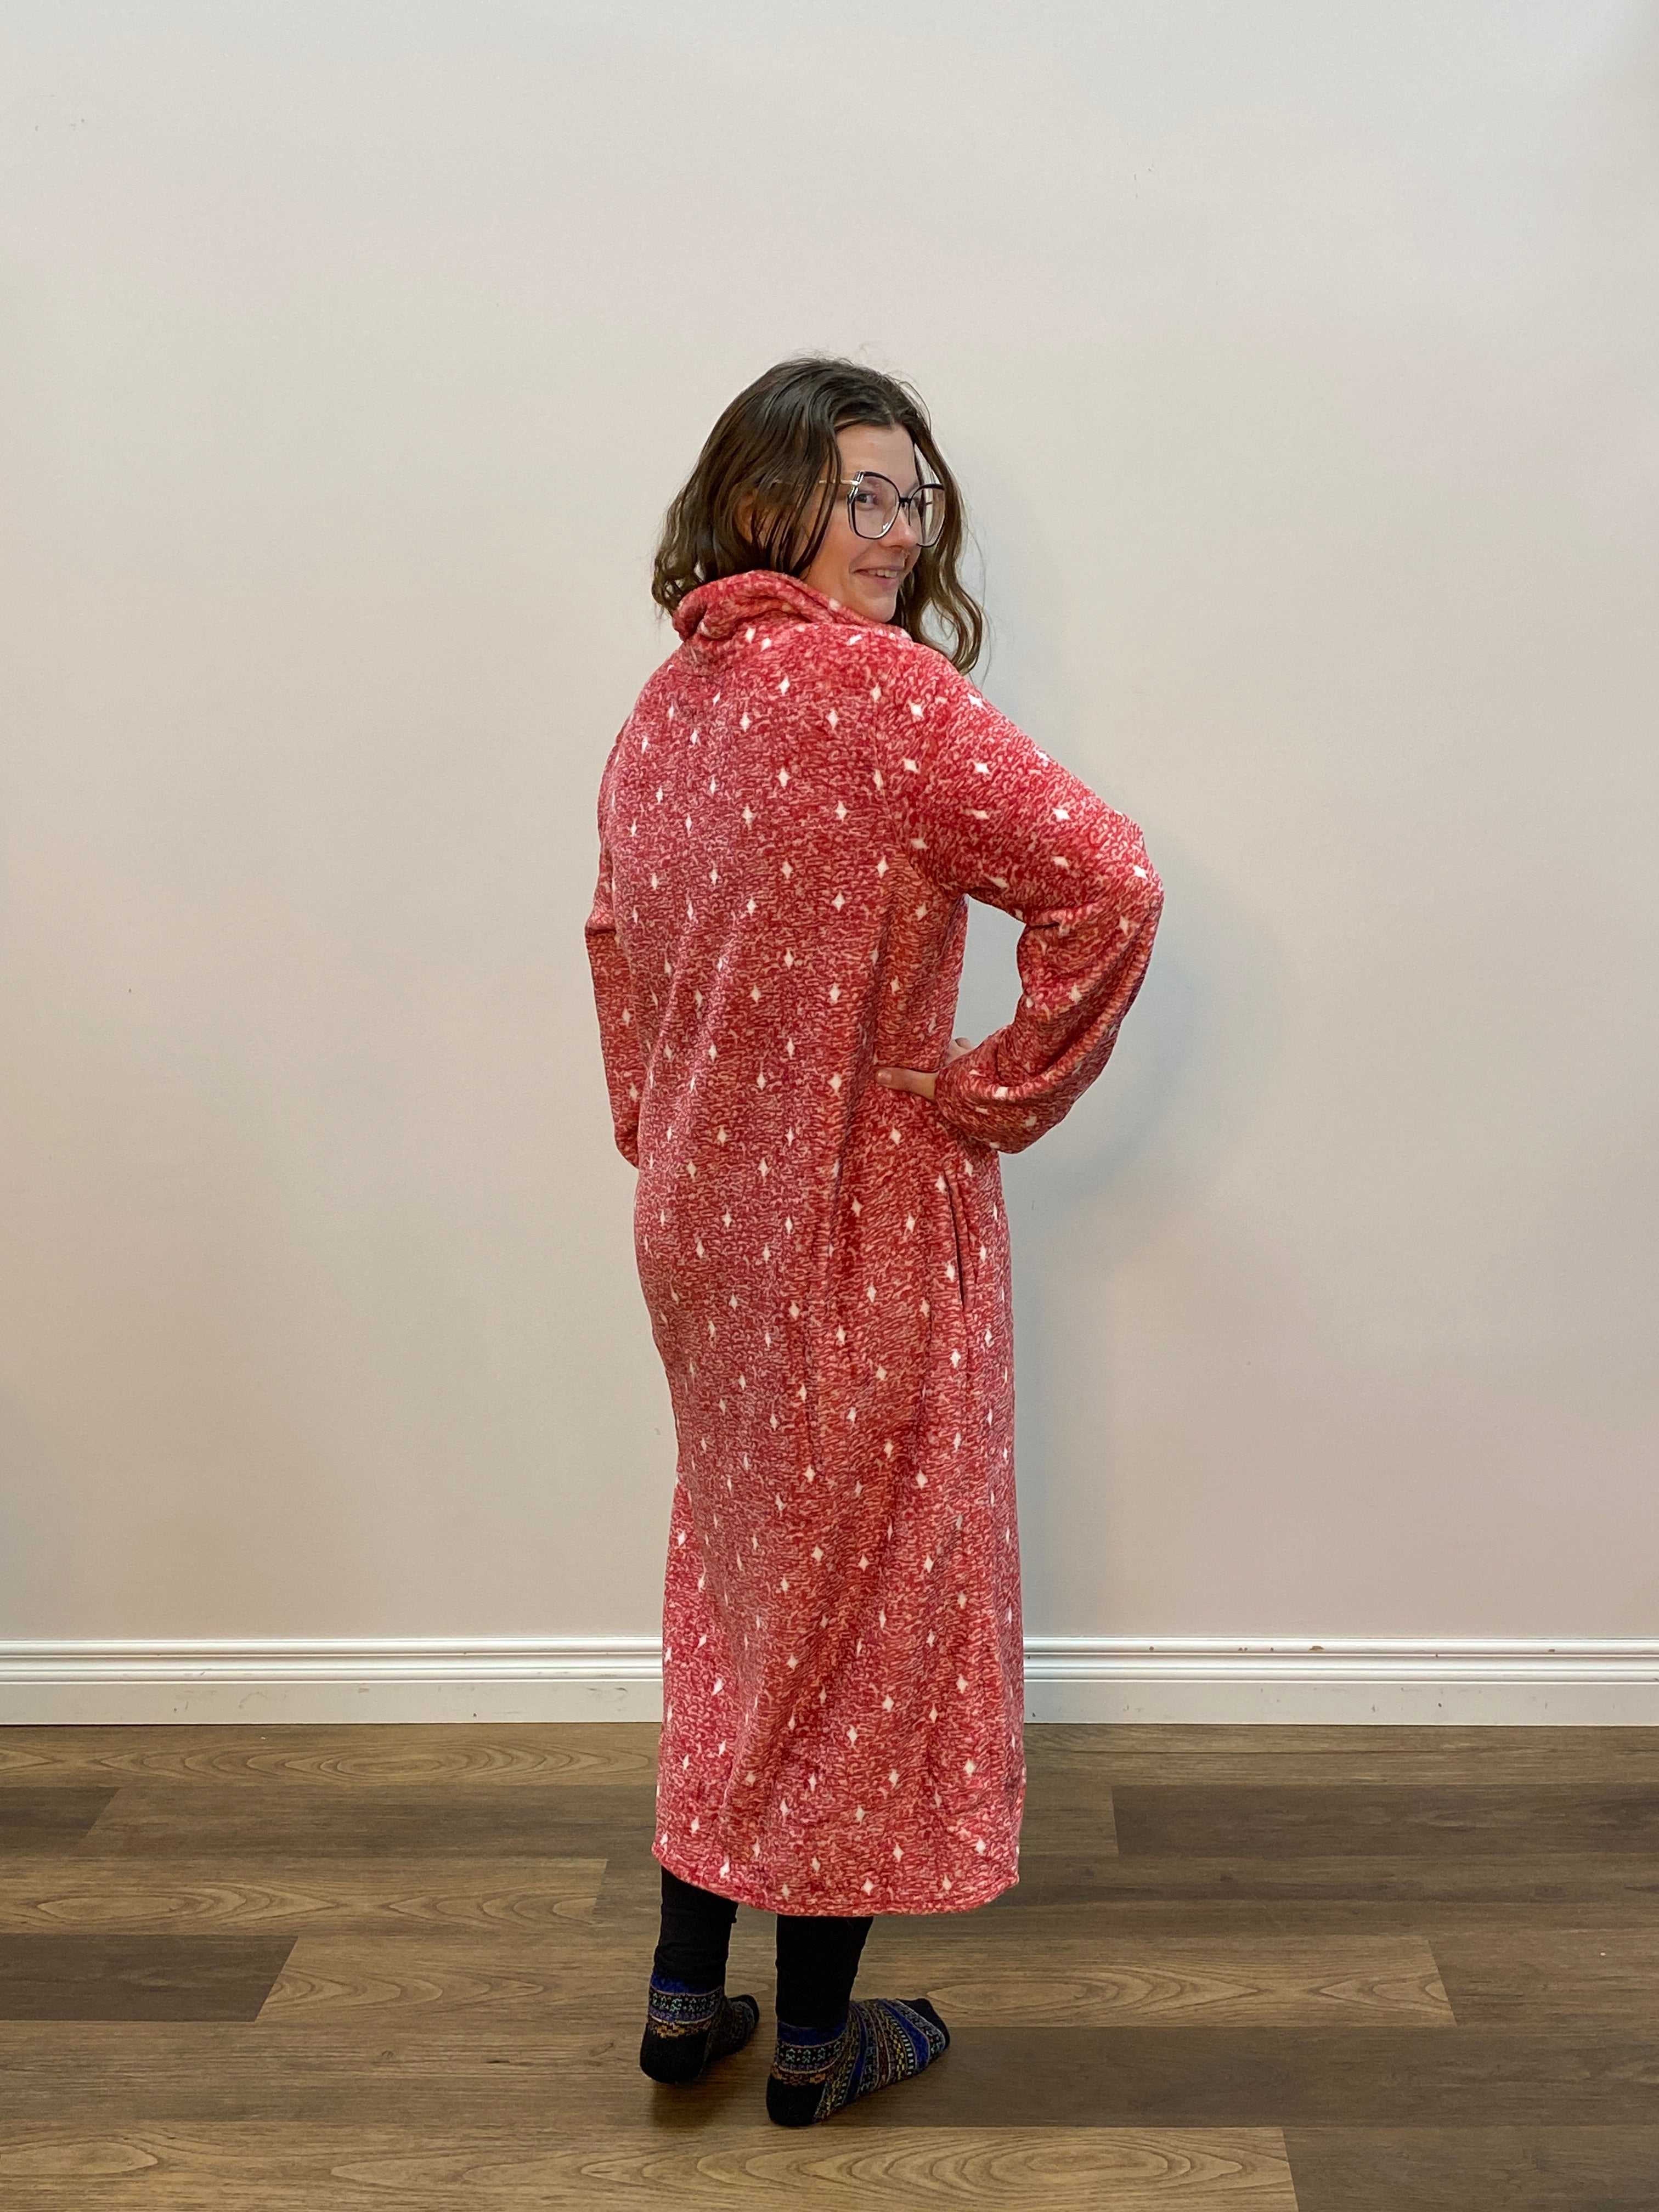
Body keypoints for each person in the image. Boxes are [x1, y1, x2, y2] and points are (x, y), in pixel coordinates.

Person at [585, 357, 1162, 2125]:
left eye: (919, 498)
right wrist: (991, 1097)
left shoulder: (664, 708)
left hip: (698, 1229)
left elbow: (614, 947)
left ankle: (692, 1997)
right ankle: (819, 2042)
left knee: (743, 1591)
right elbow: (1111, 880)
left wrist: (663, 1131)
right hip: (859, 1223)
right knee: (866, 1609)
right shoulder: (883, 696)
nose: (901, 534)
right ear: (770, 503)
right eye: (866, 494)